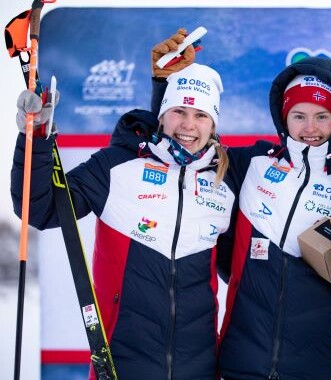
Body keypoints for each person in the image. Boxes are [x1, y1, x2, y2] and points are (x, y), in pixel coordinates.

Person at [150, 30, 331, 380]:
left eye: (322, 116)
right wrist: (164, 87)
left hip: (322, 368)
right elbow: (176, 153)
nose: (310, 128)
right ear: (283, 118)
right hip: (242, 363)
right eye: (299, 116)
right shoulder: (250, 165)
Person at [12, 63, 237, 379]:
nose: (188, 125)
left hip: (200, 368)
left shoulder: (225, 183)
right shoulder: (118, 166)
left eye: (200, 115)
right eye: (178, 112)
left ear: (212, 123)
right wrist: (35, 138)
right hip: (121, 364)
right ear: (161, 116)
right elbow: (41, 208)